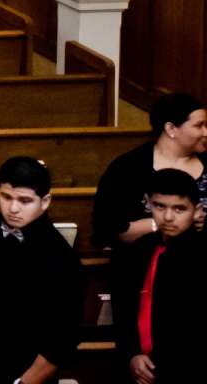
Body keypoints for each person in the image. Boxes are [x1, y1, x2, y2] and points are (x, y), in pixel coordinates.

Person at [0, 155, 83, 384]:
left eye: (25, 201)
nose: (13, 208)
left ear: (45, 202)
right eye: (5, 197)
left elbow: (62, 341)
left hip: (26, 371)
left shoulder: (61, 258)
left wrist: (23, 383)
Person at [111, 170, 206, 381]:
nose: (168, 217)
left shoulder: (202, 256)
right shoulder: (138, 250)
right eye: (160, 206)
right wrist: (132, 354)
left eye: (179, 208)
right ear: (149, 204)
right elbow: (124, 310)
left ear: (197, 211)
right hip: (138, 366)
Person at [91, 93, 207, 249]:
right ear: (171, 129)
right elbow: (108, 229)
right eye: (199, 126)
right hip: (141, 262)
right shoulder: (127, 168)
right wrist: (170, 222)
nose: (206, 132)